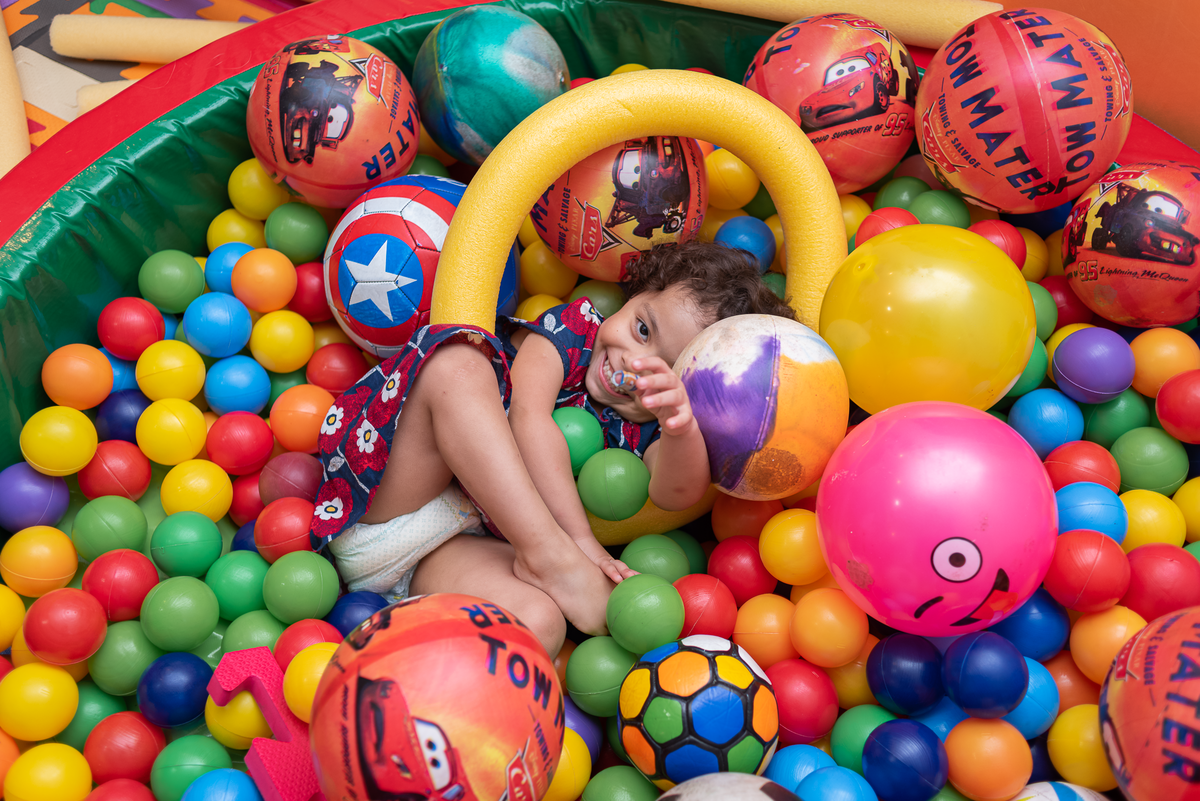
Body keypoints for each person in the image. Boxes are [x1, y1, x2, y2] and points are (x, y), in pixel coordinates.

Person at [309, 241, 797, 656]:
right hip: (386, 498)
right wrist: (574, 547)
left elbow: (676, 493)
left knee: (539, 624)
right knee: (457, 365)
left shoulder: (648, 427)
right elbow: (527, 417)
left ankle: (393, 664)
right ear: (636, 294)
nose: (632, 362)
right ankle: (545, 557)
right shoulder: (574, 330)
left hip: (447, 557)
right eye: (642, 329)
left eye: (662, 369)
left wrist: (678, 425)